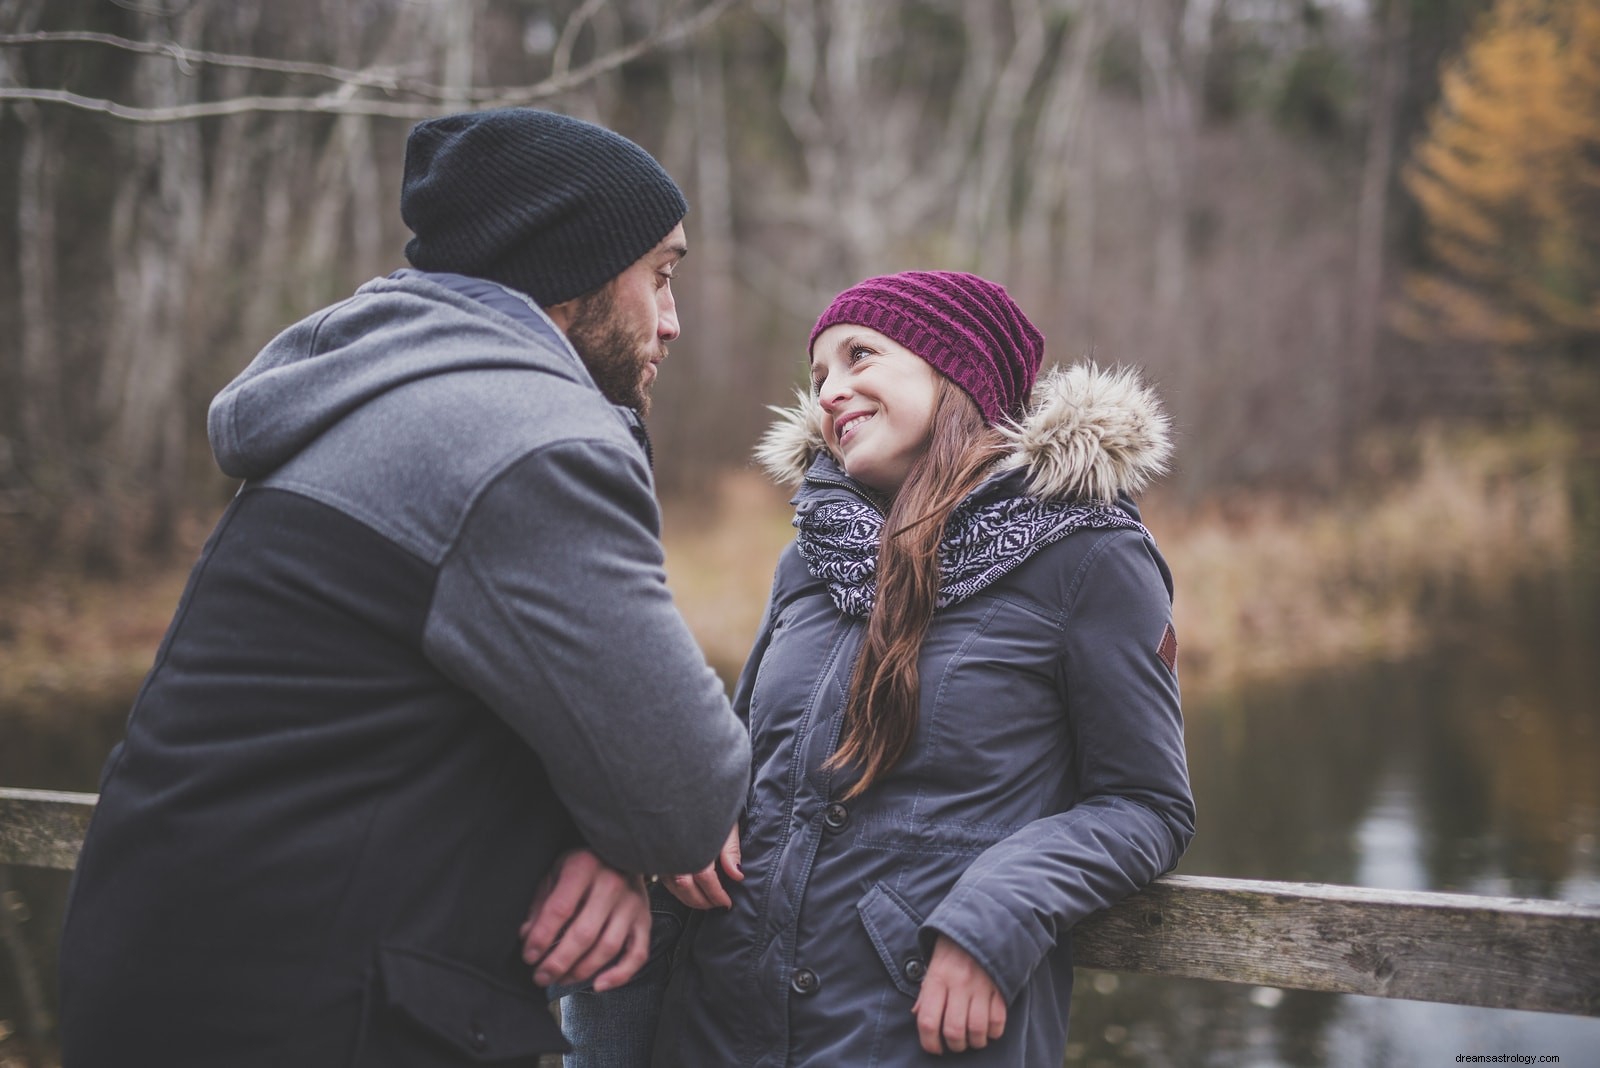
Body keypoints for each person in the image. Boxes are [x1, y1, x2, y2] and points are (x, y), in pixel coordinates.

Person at [57, 108, 749, 1066]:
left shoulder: (375, 388)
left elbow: (399, 712)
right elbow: (685, 790)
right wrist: (628, 827)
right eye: (660, 277)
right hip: (318, 1013)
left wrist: (601, 832)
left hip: (162, 973)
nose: (670, 320)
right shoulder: (526, 436)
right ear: (573, 269)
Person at [649, 271, 1195, 1065]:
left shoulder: (1091, 558)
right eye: (820, 375)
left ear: (956, 371)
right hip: (720, 1026)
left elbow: (1146, 805)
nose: (832, 390)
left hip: (911, 1032)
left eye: (859, 356)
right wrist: (697, 809)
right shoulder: (810, 554)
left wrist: (1000, 912)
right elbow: (746, 754)